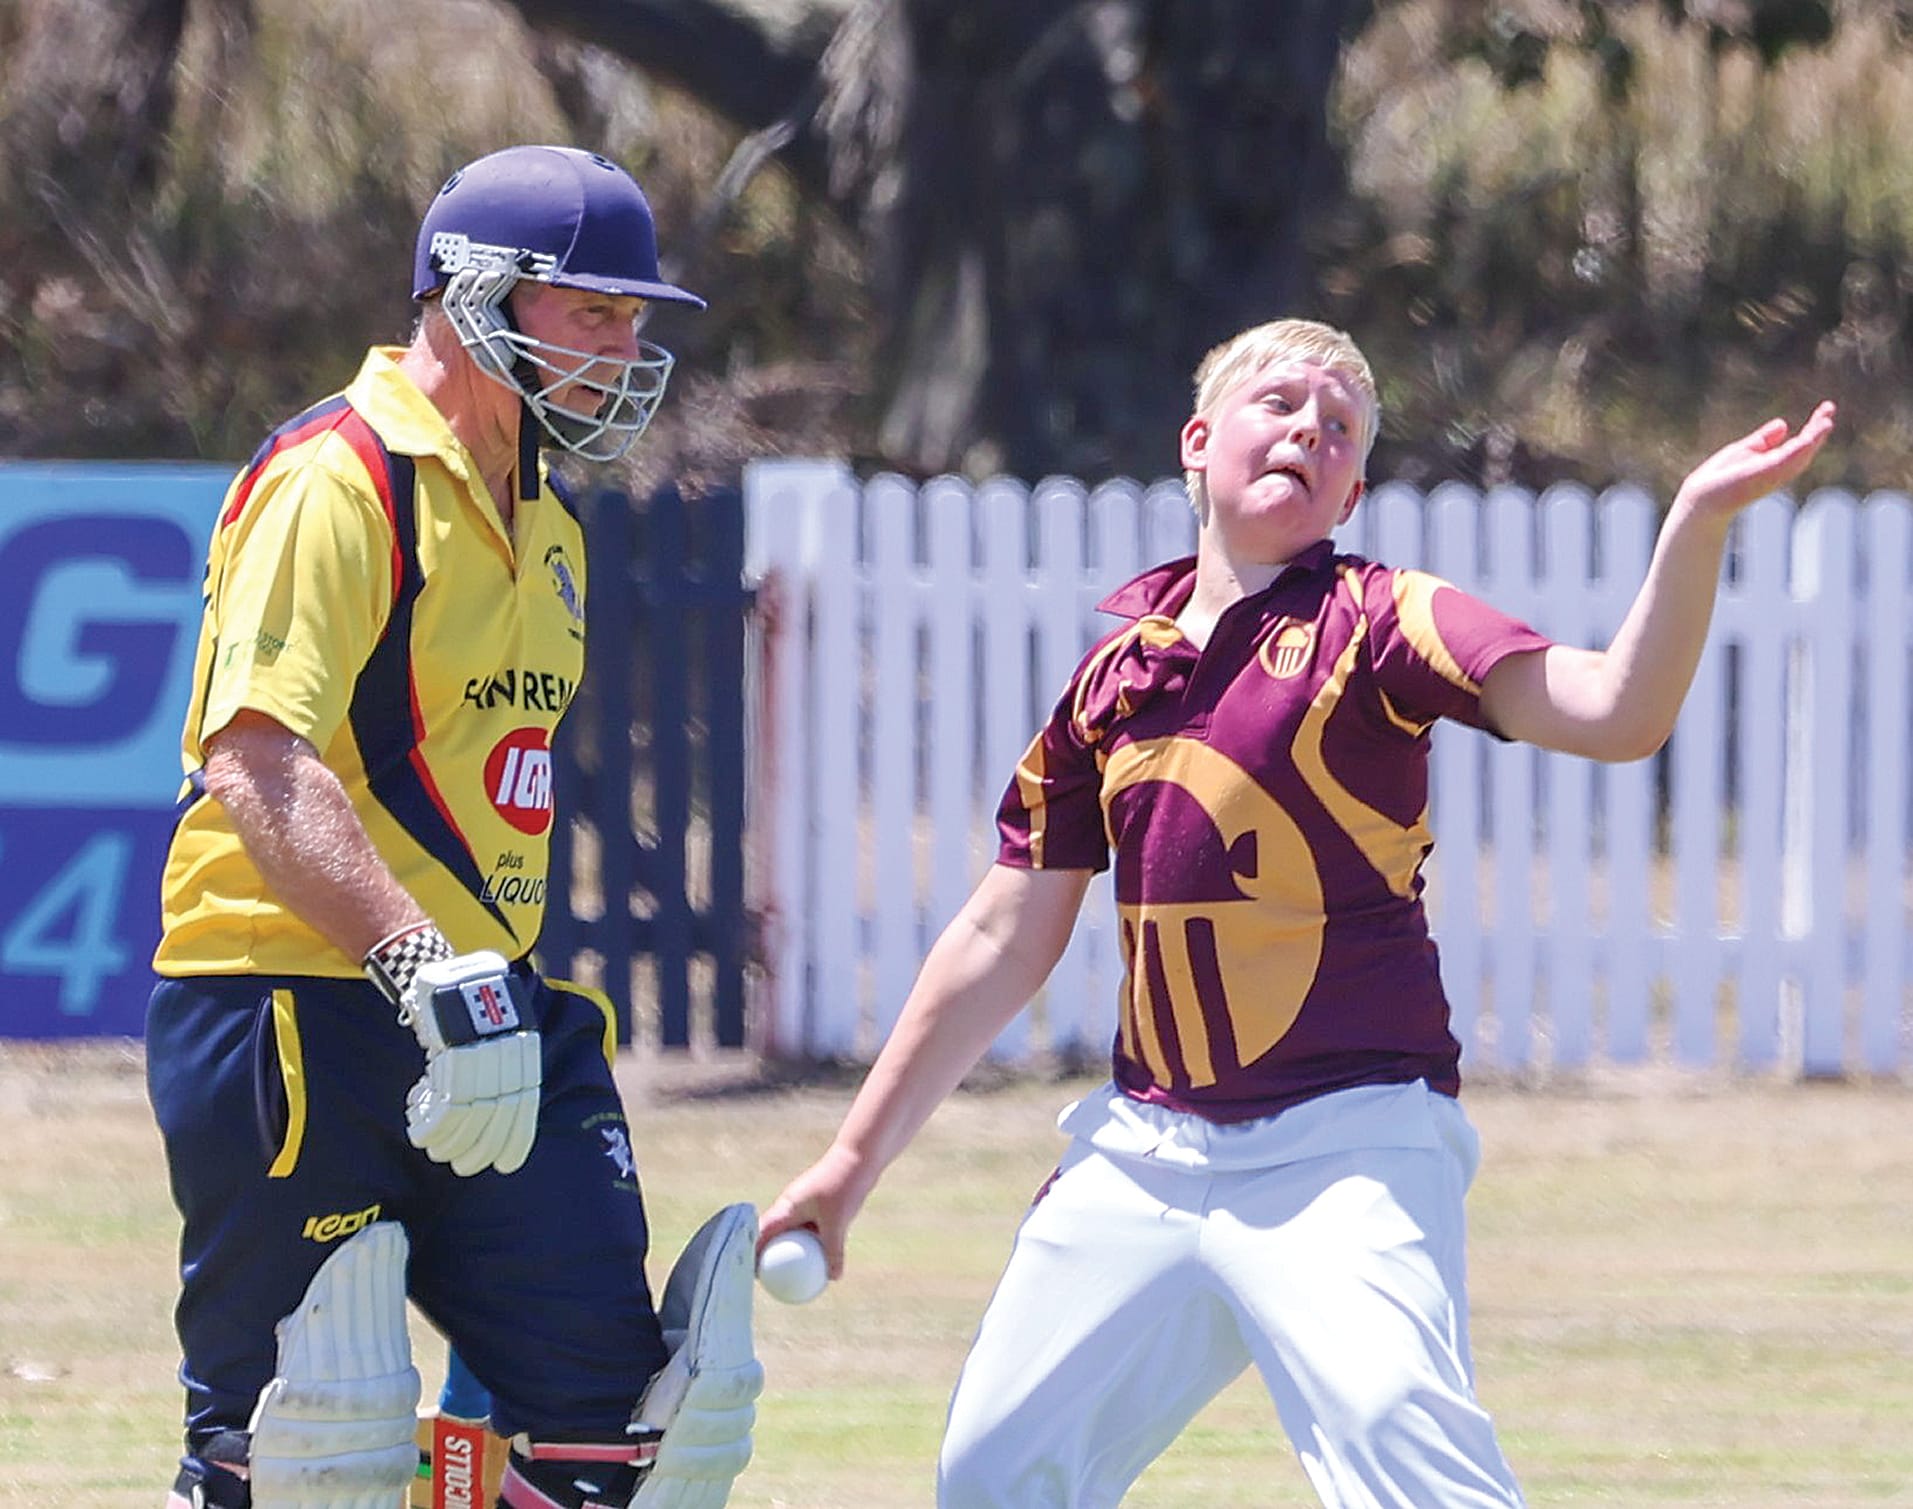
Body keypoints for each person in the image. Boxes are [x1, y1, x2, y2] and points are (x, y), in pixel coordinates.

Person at [760, 317, 1837, 1508]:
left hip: (1349, 1142)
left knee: (1400, 1445)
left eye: (1337, 430)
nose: (1308, 433)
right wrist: (849, 1164)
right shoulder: (1112, 681)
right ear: (1197, 440)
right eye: (1279, 405)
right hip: (1147, 1149)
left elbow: (1613, 713)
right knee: (992, 1475)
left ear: (1351, 492)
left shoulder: (1382, 620)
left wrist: (1692, 524)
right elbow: (1001, 932)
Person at [146, 144, 763, 1509]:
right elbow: (257, 758)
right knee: (311, 1446)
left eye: (634, 317)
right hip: (295, 997)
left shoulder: (548, 516)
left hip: (489, 1011)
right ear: (469, 294)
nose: (624, 346)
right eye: (592, 310)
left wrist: (472, 985)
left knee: (633, 1446)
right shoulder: (338, 478)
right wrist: (423, 966)